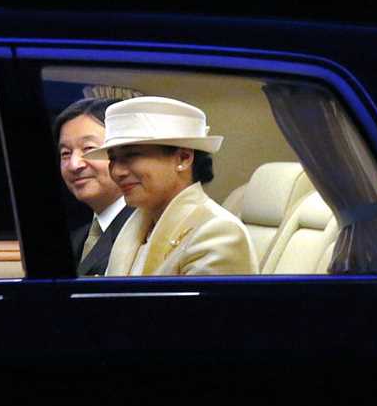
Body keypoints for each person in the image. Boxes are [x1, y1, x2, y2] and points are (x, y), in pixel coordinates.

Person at [84, 96, 258, 276]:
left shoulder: (218, 233)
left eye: (132, 155)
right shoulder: (137, 225)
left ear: (183, 158)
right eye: (113, 159)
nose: (117, 171)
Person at [53, 97, 134, 276]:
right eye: (65, 153)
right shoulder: (76, 240)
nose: (74, 164)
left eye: (89, 149)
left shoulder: (145, 230)